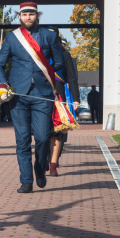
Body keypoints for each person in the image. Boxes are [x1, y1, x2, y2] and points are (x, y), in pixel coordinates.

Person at [0, 2, 66, 193]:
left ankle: (39, 167)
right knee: (23, 140)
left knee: (42, 137)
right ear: (20, 16)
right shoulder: (12, 37)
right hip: (18, 95)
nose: (28, 17)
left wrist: (46, 74)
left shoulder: (49, 36)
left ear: (37, 15)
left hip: (42, 93)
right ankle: (26, 180)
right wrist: (3, 84)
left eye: (31, 14)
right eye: (24, 14)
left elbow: (59, 62)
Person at [48, 43, 80, 176]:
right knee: (42, 132)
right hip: (42, 95)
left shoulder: (65, 55)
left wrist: (76, 99)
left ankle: (54, 162)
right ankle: (45, 158)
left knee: (58, 131)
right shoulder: (40, 53)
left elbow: (72, 78)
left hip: (60, 96)